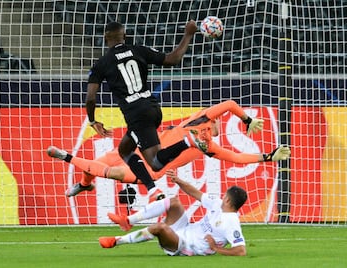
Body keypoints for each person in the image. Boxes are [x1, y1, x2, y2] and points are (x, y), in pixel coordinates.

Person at [47, 99, 289, 195]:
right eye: (215, 120)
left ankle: (65, 156)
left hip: (153, 170)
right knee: (102, 162)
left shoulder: (209, 147)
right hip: (146, 148)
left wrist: (267, 156)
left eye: (215, 123)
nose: (215, 122)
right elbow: (229, 104)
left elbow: (237, 158)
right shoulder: (200, 118)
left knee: (114, 172)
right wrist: (246, 119)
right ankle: (85, 185)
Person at [83, 20, 209, 203]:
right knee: (125, 149)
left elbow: (91, 98)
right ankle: (152, 189)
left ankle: (187, 141)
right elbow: (174, 59)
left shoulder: (101, 64)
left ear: (105, 38)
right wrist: (188, 34)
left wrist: (93, 120)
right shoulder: (138, 50)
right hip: (153, 109)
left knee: (157, 163)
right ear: (124, 36)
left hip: (136, 114)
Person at [99, 169, 247, 256]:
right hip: (184, 229)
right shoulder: (216, 204)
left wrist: (216, 248)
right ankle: (128, 221)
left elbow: (241, 250)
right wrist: (178, 180)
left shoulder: (231, 222)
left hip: (185, 246)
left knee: (160, 228)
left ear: (227, 201)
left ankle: (117, 240)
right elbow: (195, 192)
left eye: (225, 196)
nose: (222, 198)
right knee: (174, 202)